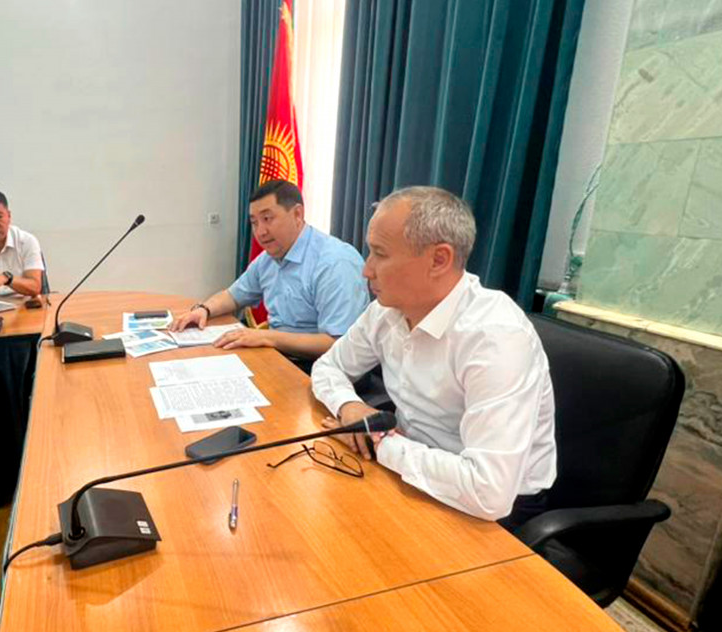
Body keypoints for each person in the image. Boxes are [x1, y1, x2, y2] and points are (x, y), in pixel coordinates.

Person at [310, 186, 556, 528]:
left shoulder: (495, 337)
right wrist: (349, 407)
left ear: (439, 260)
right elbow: (329, 366)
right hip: (411, 470)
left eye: (380, 254)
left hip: (494, 514)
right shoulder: (387, 311)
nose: (367, 270)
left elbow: (489, 493)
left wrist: (379, 443)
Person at [169, 180, 367, 361]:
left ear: (297, 214)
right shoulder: (268, 259)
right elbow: (233, 296)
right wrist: (204, 309)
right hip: (279, 356)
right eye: (254, 222)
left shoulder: (335, 262)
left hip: (322, 367)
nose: (260, 232)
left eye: (267, 218)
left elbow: (338, 344)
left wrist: (267, 337)